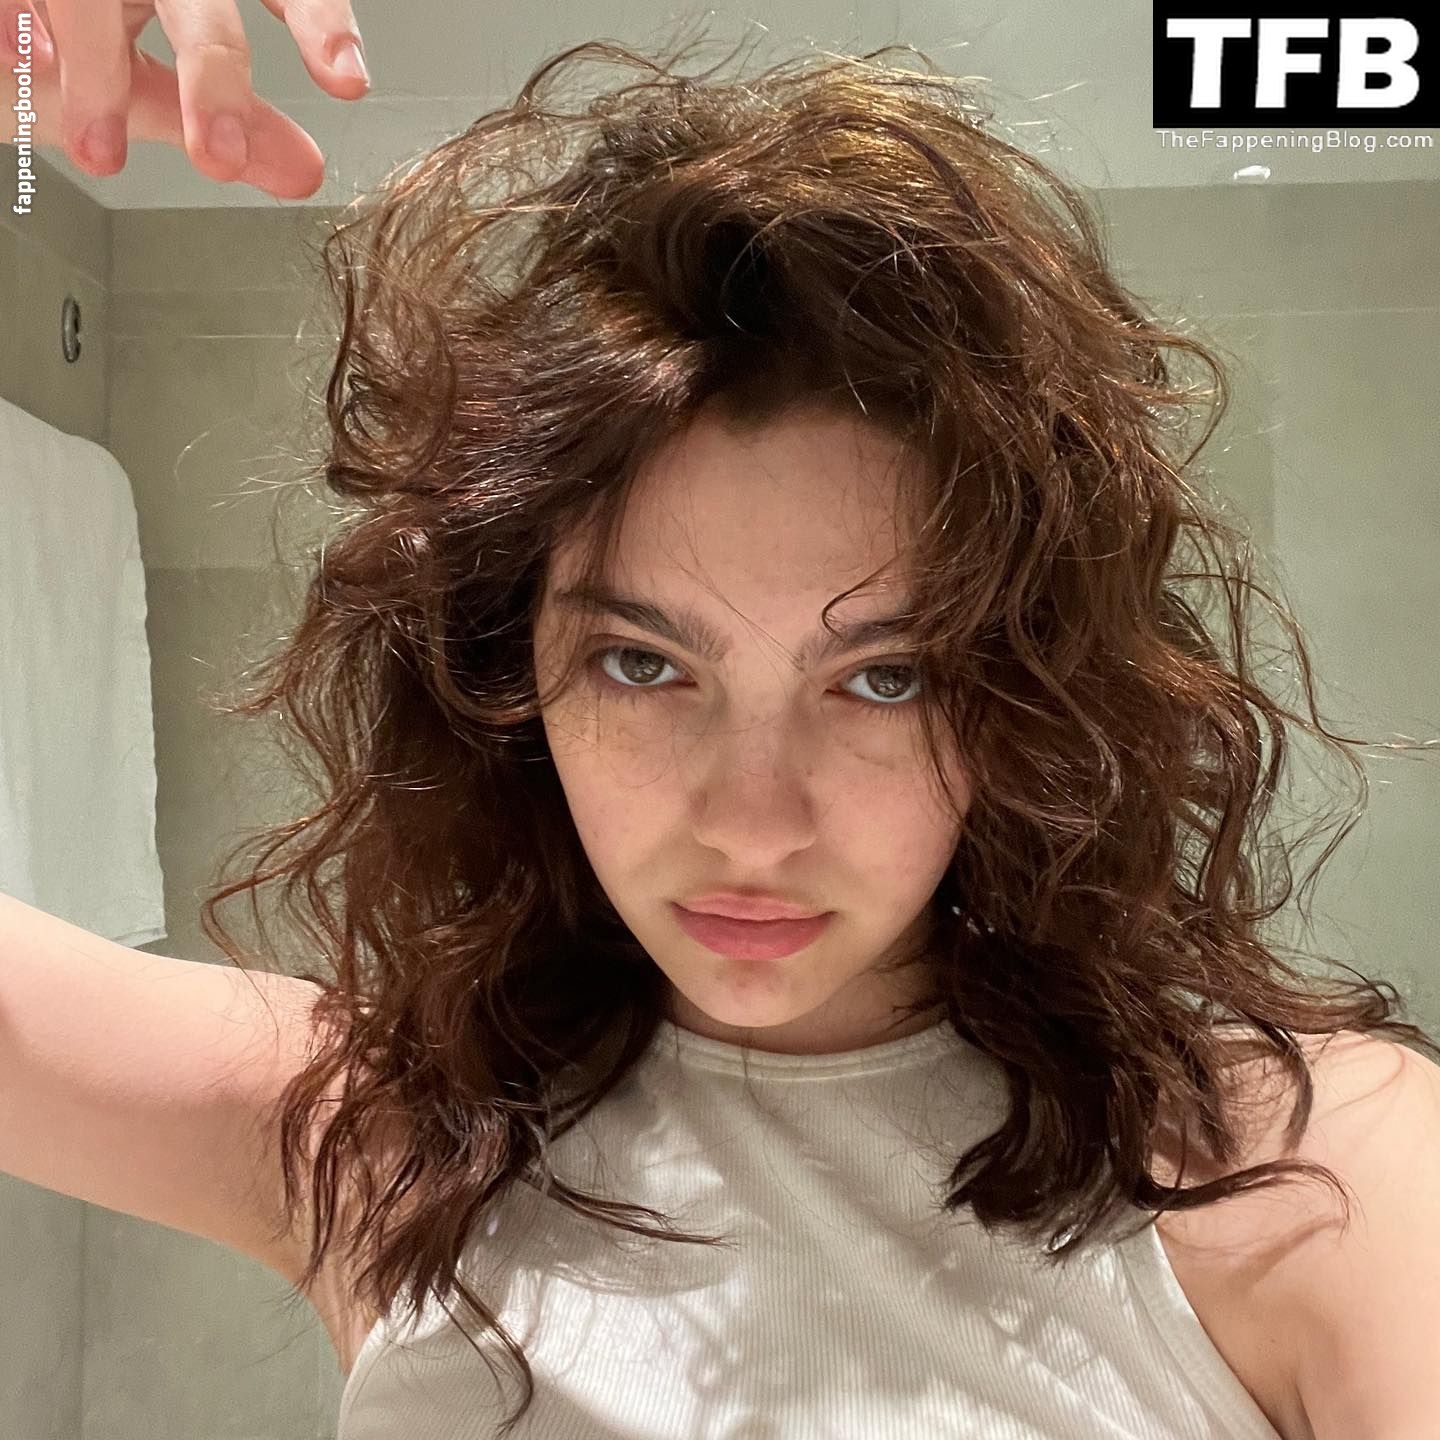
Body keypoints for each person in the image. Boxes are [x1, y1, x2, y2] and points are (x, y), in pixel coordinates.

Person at [2, 12, 1440, 1440]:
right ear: (509, 674)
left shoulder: (1311, 1181)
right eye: (643, 664)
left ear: (1024, 692)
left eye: (887, 677)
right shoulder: (380, 1138)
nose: (754, 823)